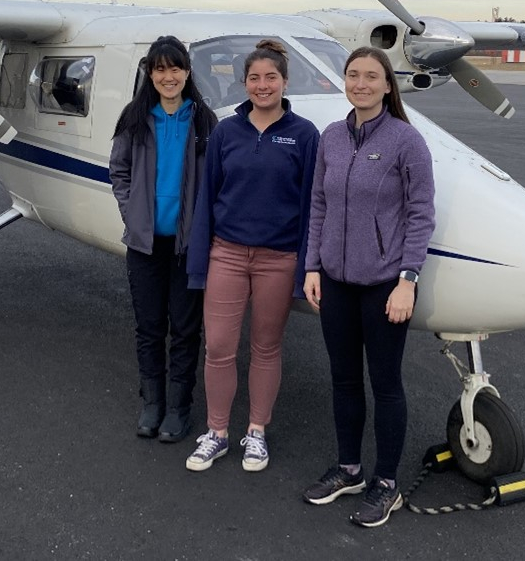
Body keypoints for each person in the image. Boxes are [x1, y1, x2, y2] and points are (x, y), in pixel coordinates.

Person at [301, 46, 435, 528]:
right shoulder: (332, 137)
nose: (360, 83)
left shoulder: (406, 141)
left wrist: (408, 281)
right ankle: (350, 469)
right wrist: (313, 267)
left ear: (386, 84)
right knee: (343, 379)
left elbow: (421, 215)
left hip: (383, 286)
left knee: (386, 385)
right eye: (353, 75)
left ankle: (386, 482)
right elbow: (319, 205)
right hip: (335, 282)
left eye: (370, 76)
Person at [184, 39, 320, 472]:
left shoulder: (304, 135)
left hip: (277, 260)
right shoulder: (227, 132)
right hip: (227, 254)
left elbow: (312, 206)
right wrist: (200, 262)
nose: (262, 86)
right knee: (219, 347)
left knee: (266, 347)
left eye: (271, 78)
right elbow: (208, 197)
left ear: (285, 81)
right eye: (254, 78)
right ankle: (217, 432)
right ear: (243, 83)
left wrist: (304, 268)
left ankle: (256, 432)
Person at [109, 35, 217, 442]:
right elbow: (118, 170)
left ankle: (179, 407)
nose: (167, 76)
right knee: (149, 326)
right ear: (150, 74)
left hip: (187, 247)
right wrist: (132, 213)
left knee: (186, 330)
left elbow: (215, 184)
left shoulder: (205, 123)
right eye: (159, 68)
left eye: (175, 68)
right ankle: (152, 403)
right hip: (145, 244)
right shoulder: (135, 119)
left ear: (187, 72)